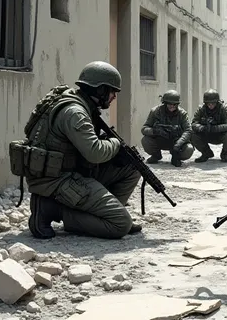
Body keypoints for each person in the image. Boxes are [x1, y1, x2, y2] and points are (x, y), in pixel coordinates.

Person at [14, 62, 143, 241]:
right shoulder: (75, 113)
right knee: (120, 225)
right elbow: (95, 153)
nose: (114, 97)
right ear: (99, 90)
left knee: (133, 166)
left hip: (73, 171)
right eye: (112, 91)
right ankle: (50, 208)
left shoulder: (80, 102)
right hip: (57, 180)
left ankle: (102, 215)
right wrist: (115, 143)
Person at [141, 90, 194, 167]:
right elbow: (144, 128)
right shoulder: (155, 111)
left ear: (177, 104)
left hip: (176, 141)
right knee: (145, 140)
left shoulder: (182, 114)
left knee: (188, 149)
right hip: (159, 139)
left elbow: (188, 130)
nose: (172, 106)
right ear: (165, 103)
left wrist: (179, 143)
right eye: (169, 104)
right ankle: (156, 155)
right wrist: (155, 131)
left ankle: (176, 156)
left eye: (174, 104)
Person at [191, 89, 227, 163]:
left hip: (221, 134)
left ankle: (225, 154)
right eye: (208, 103)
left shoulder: (225, 108)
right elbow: (194, 123)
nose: (211, 105)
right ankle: (206, 153)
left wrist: (214, 128)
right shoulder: (201, 109)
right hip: (206, 133)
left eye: (213, 103)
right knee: (192, 134)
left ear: (217, 102)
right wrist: (202, 128)